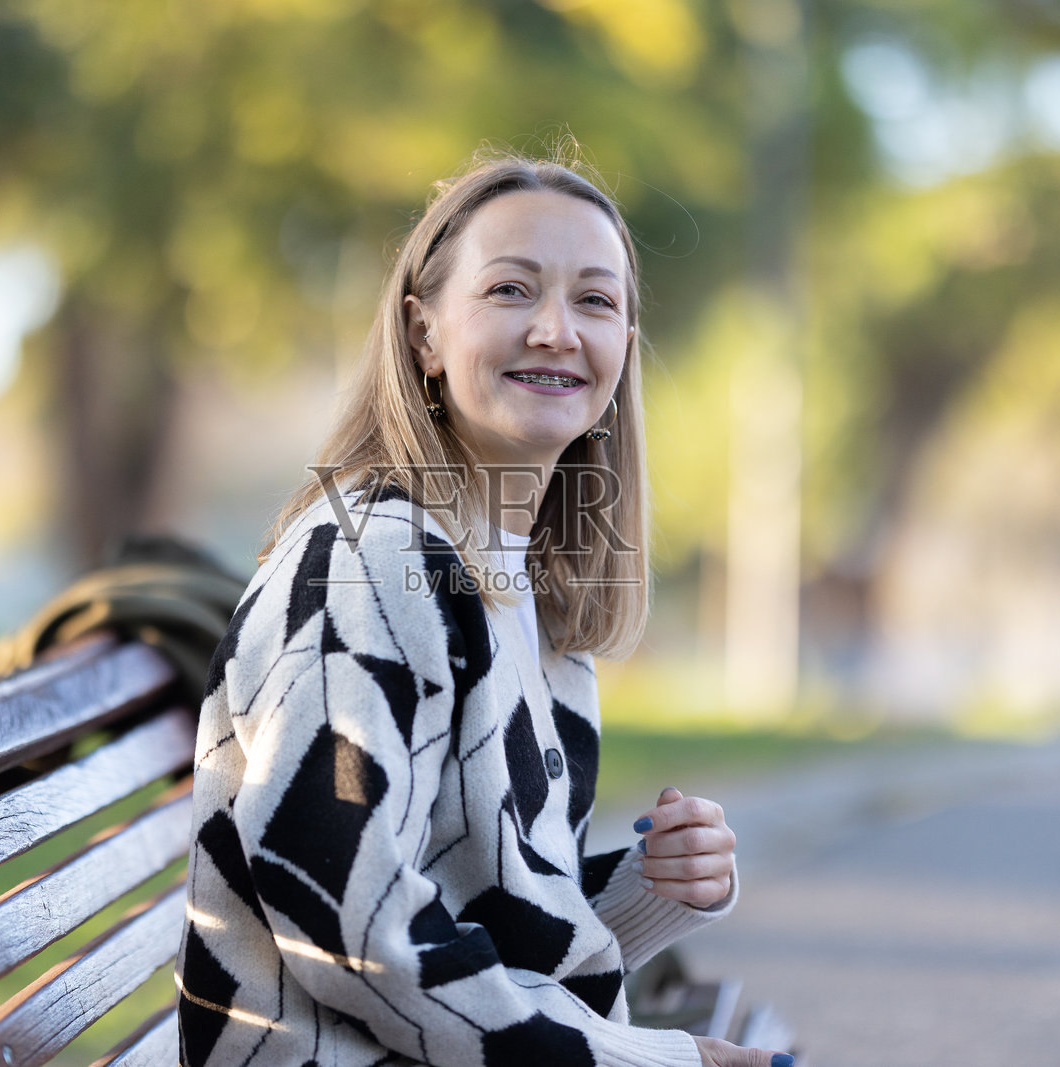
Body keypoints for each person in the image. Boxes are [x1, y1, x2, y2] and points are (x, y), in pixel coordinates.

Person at [175, 151, 792, 1067]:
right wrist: (653, 1063)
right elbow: (349, 918)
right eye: (511, 289)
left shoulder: (519, 586)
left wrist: (653, 887)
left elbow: (488, 912)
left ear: (623, 345)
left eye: (595, 300)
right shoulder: (369, 562)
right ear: (423, 333)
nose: (556, 329)